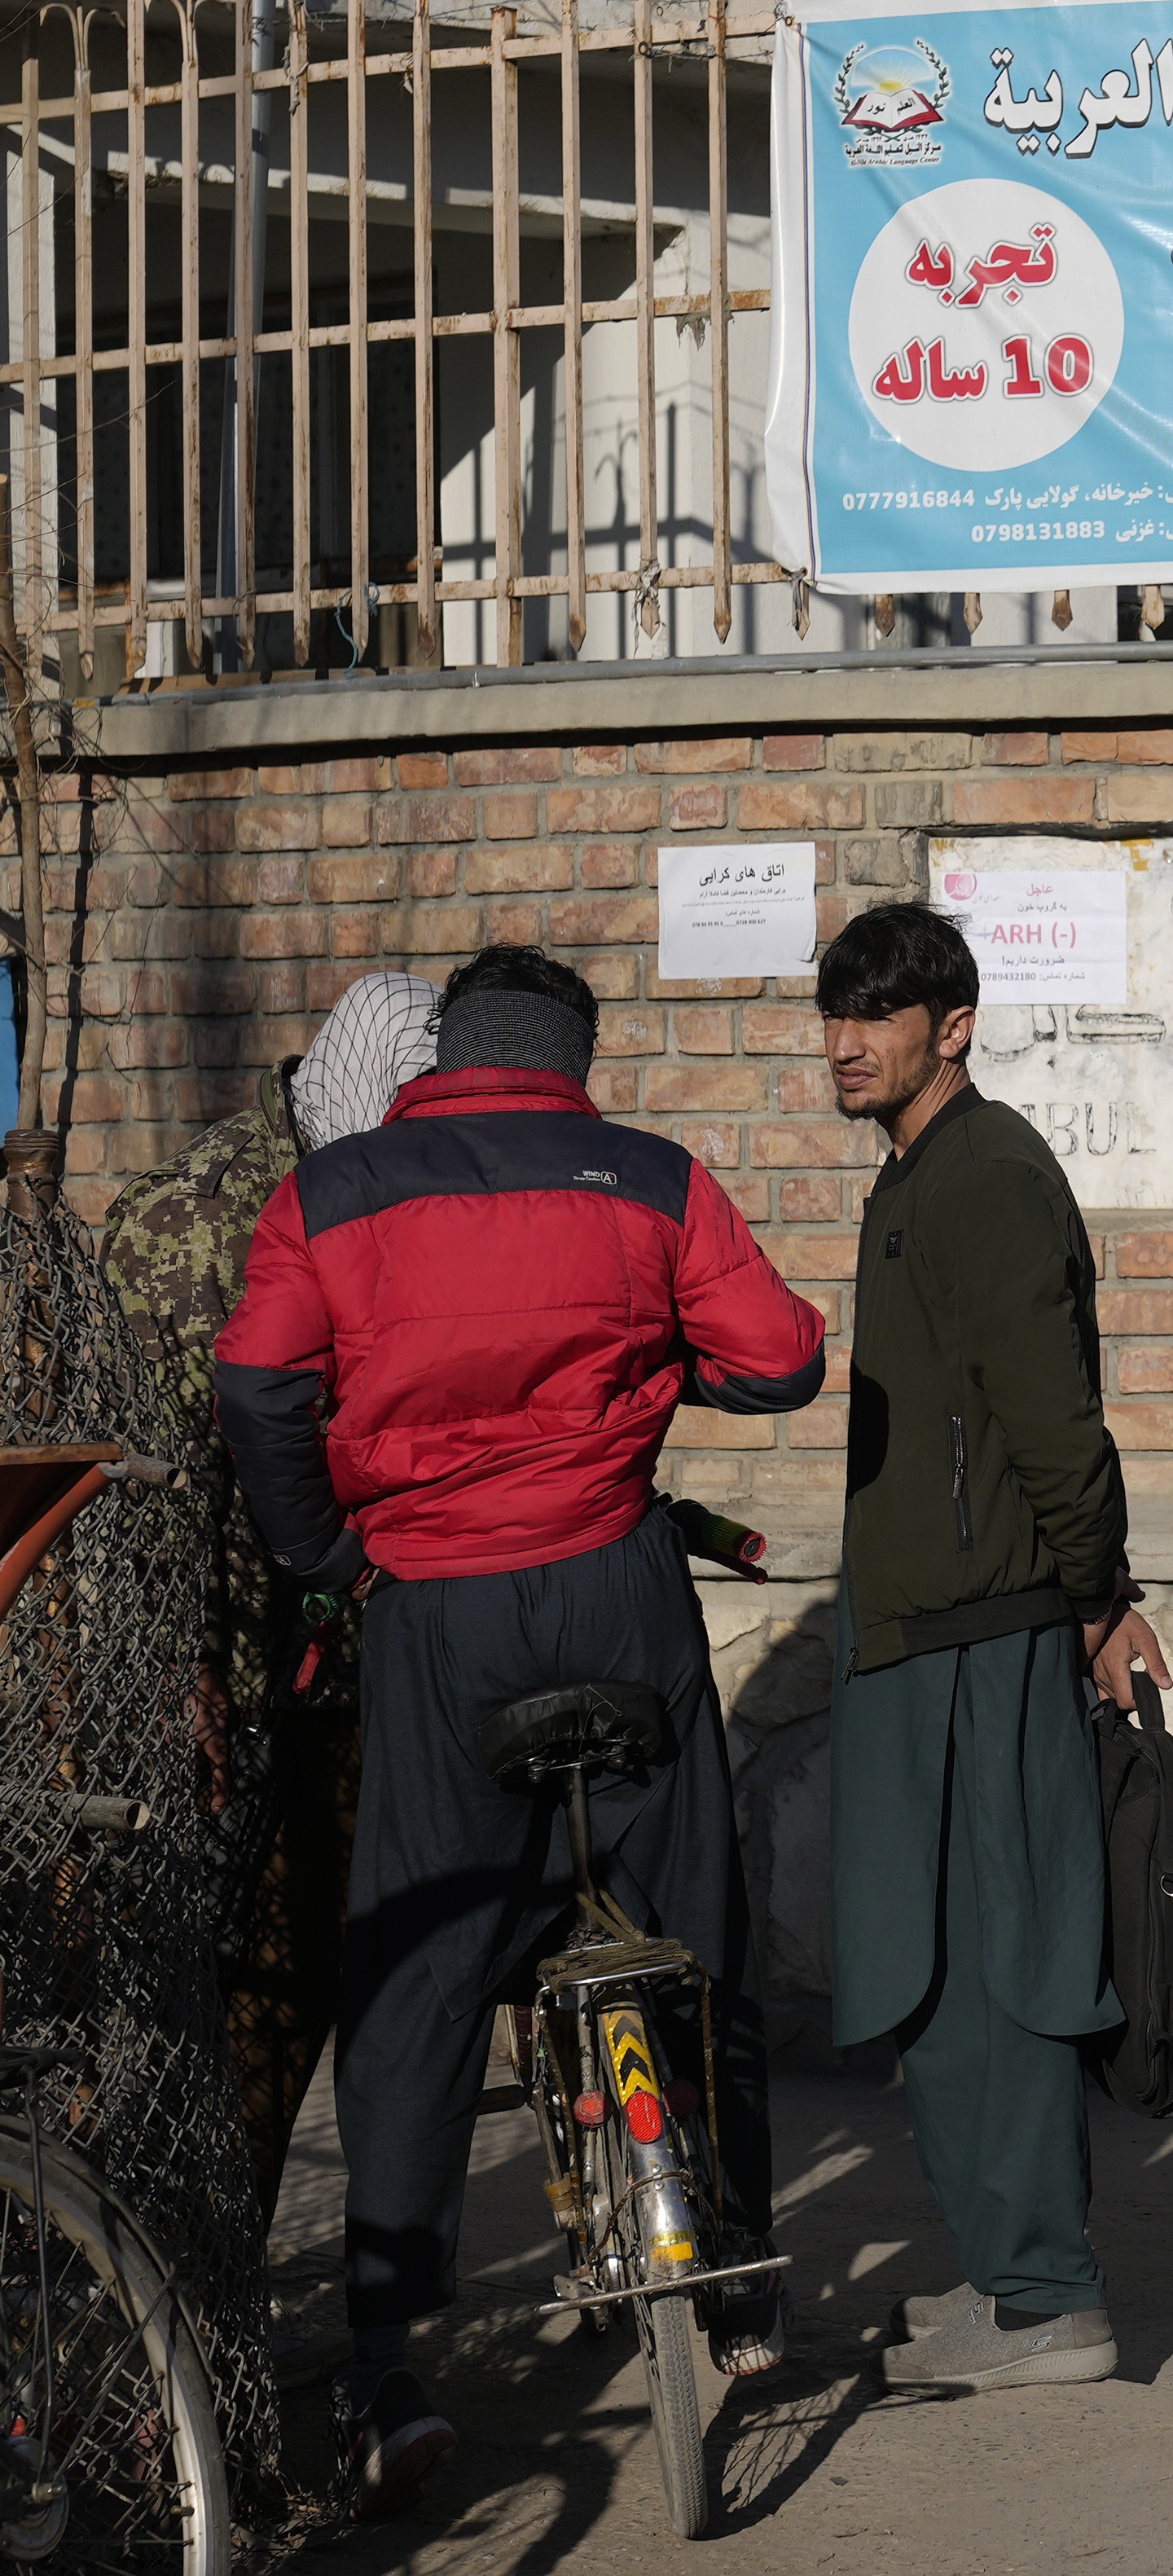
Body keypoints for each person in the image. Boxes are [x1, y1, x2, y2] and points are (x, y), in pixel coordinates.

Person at [214, 945, 824, 2501]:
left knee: (415, 1969)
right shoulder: (650, 1177)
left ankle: (389, 2365)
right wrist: (648, 1371)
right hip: (618, 1585)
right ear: (574, 1054)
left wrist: (328, 1552)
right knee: (697, 1926)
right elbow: (784, 1357)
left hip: (432, 1611)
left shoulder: (338, 1190)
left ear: (443, 1056)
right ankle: (738, 2272)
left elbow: (258, 1385)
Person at [820, 901, 1165, 2394]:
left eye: (876, 1016)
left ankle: (1048, 2295)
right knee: (934, 1973)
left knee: (1003, 1970)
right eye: (832, 1015)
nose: (844, 1043)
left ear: (949, 1025)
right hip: (924, 1625)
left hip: (988, 1627)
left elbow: (1052, 1424)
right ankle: (1006, 2278)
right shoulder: (918, 1171)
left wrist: (1095, 1597)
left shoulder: (986, 1178)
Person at [104, 970, 439, 2218]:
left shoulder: (405, 1185)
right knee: (239, 2005)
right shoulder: (186, 1220)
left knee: (361, 1990)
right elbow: (144, 1486)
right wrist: (176, 1669)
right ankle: (199, 2304)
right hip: (233, 1683)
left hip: (370, 1649)